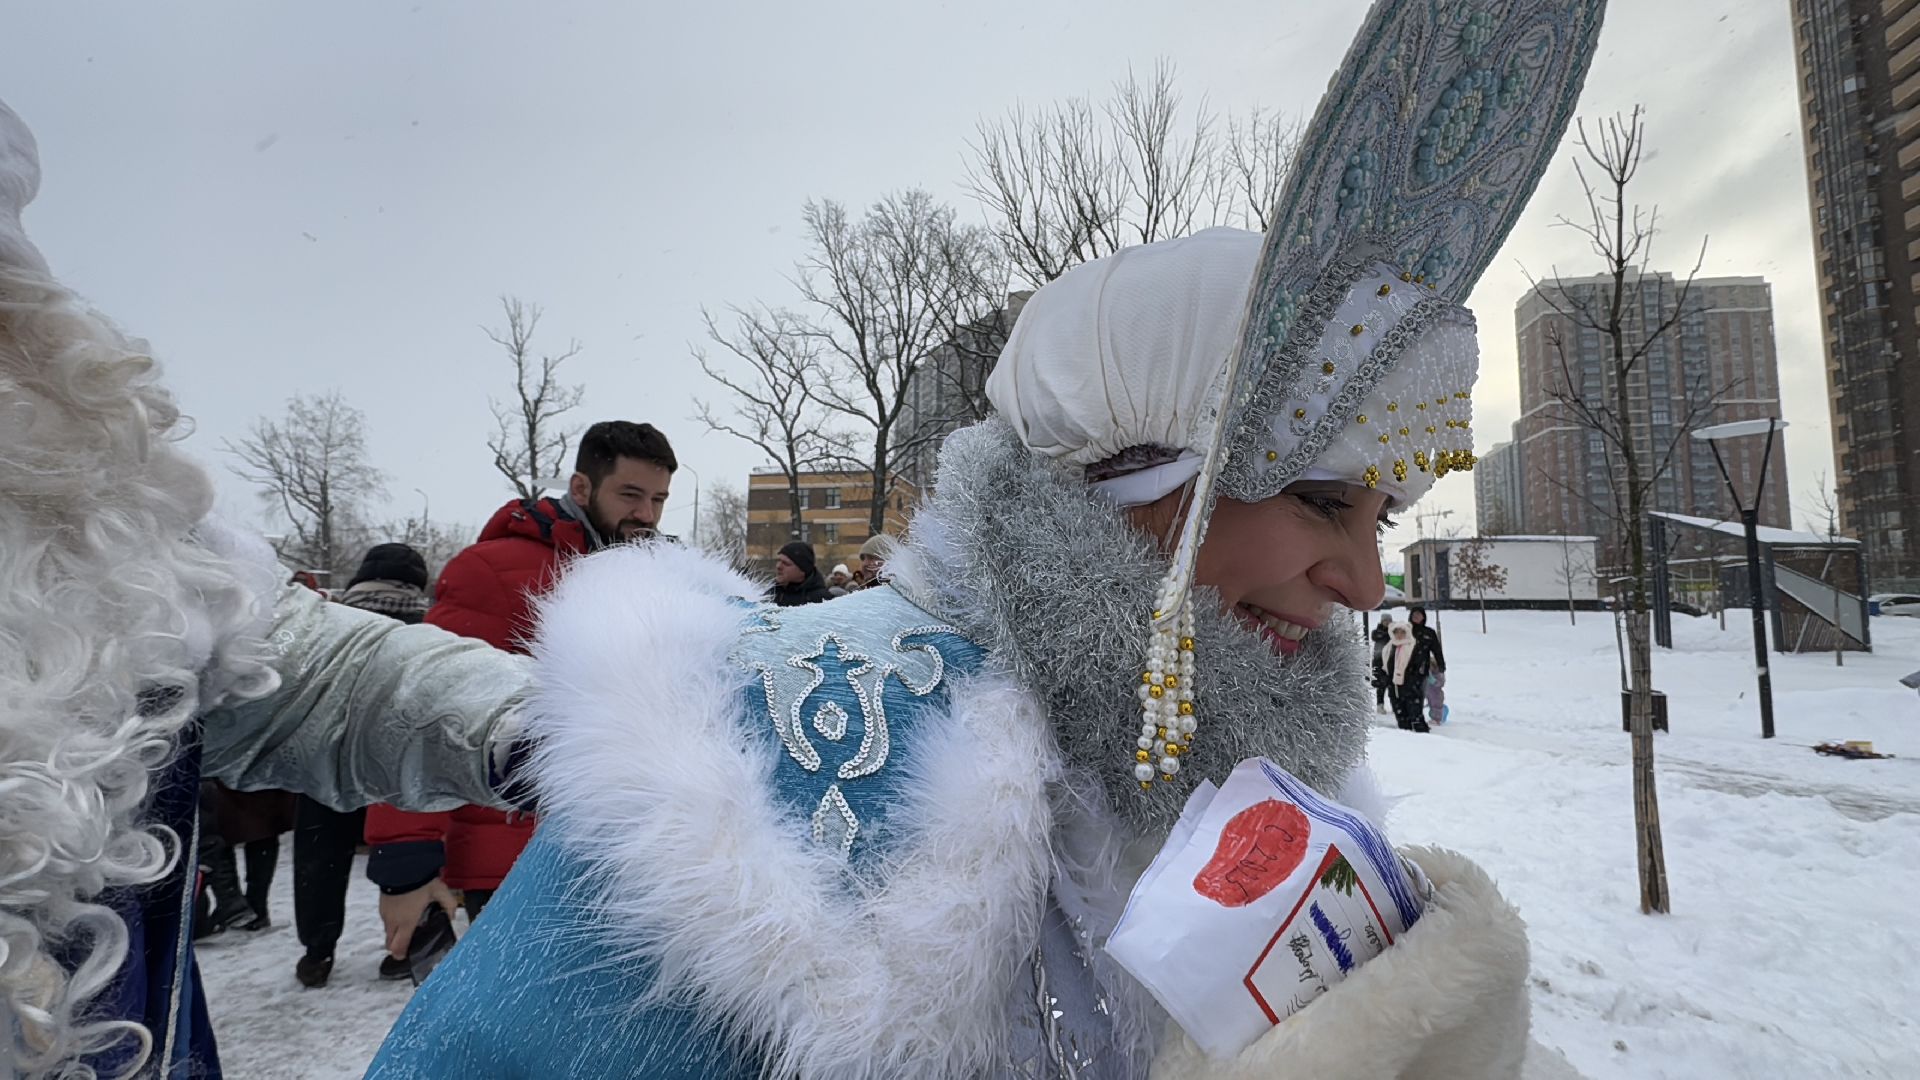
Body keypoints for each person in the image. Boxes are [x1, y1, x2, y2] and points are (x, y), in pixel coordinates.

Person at [368, 6, 1601, 1076]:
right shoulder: (772, 746)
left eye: (1382, 522)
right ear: (1132, 472)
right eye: (1324, 501)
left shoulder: (1278, 781)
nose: (1362, 582)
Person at [0, 99, 534, 1077]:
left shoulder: (79, 537)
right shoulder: (487, 569)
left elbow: (329, 677)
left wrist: (577, 722)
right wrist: (416, 853)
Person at [363, 425, 678, 974]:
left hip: (619, 851)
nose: (647, 515)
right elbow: (419, 705)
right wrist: (406, 861)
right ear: (581, 488)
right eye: (630, 495)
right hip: (508, 853)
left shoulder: (652, 577)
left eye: (658, 500)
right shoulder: (494, 571)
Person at [290, 543, 433, 989]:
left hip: (324, 762)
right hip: (397, 766)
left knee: (320, 858)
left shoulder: (330, 625)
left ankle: (318, 952)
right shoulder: (430, 629)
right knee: (406, 853)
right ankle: (402, 950)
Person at [1377, 622, 1435, 734]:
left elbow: (1419, 666)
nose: (1399, 635)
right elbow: (1385, 666)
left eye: (1402, 632)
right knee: (1400, 714)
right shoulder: (1388, 647)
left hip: (1410, 686)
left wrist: (1413, 681)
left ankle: (1423, 737)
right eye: (1396, 632)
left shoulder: (1413, 646)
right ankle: (1405, 736)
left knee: (1415, 713)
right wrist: (1385, 680)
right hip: (1394, 686)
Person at [1408, 605, 1448, 726]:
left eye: (1419, 615)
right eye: (1414, 615)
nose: (1416, 617)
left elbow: (1436, 650)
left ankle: (1436, 717)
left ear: (1423, 617)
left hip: (1424, 667)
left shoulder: (1429, 633)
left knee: (1433, 693)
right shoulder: (1406, 631)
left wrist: (1440, 664)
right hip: (1408, 668)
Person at [768, 540, 833, 606]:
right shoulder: (769, 595)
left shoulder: (822, 601)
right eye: (778, 560)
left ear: (803, 570)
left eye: (786, 563)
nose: (778, 566)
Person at [1370, 612, 1393, 713]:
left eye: (1389, 621)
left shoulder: (1395, 631)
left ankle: (1395, 705)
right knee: (1381, 685)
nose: (1387, 623)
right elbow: (1375, 636)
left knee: (1392, 685)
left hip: (1392, 661)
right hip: (1379, 662)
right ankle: (1380, 705)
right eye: (1385, 621)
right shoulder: (1377, 632)